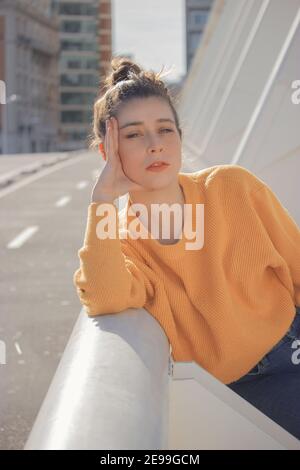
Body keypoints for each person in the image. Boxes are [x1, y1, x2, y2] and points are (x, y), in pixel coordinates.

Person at [73, 56, 300, 439]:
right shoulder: (121, 239)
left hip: (291, 353)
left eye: (165, 130)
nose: (155, 145)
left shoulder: (232, 187)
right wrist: (103, 201)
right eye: (133, 135)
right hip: (229, 395)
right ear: (106, 152)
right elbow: (105, 295)